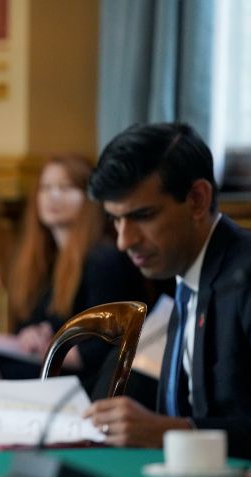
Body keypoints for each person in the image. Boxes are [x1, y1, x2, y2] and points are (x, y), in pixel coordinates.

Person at [83, 123, 251, 458]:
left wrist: (171, 432)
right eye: (115, 220)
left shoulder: (245, 276)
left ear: (197, 200)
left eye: (142, 216)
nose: (124, 241)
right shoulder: (185, 276)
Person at [0, 155, 148, 393]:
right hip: (51, 367)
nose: (53, 196)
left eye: (65, 188)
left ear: (90, 197)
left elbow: (105, 348)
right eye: (46, 188)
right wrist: (30, 335)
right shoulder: (44, 259)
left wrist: (48, 346)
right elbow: (30, 326)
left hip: (87, 380)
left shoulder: (103, 258)